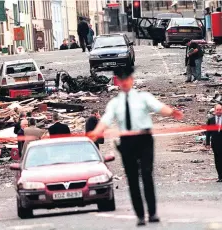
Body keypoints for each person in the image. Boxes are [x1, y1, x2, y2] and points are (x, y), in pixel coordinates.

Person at [88, 67, 183, 226]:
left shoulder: (143, 97)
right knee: (132, 179)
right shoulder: (115, 103)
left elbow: (159, 107)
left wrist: (173, 112)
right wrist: (96, 132)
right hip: (126, 142)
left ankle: (152, 213)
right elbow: (106, 120)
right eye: (121, 80)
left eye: (127, 79)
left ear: (132, 80)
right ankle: (140, 215)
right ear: (117, 82)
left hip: (144, 139)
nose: (124, 82)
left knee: (146, 174)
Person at [206, 104, 222, 182]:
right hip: (215, 143)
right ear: (215, 111)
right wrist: (207, 143)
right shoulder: (211, 120)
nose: (219, 111)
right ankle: (220, 176)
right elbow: (208, 132)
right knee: (217, 160)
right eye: (217, 110)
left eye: (220, 110)